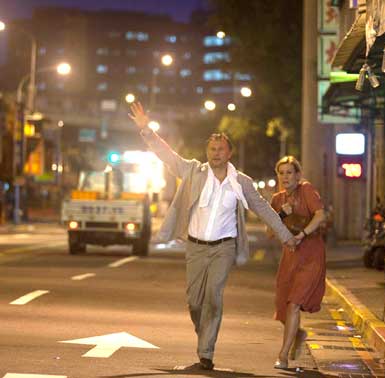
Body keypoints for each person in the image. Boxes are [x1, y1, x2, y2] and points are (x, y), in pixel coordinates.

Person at [128, 102, 297, 371]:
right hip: (195, 247)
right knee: (195, 302)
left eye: (220, 149)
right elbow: (167, 155)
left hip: (223, 248)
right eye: (212, 149)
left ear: (230, 153)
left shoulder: (241, 182)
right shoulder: (194, 171)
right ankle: (204, 332)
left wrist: (286, 235)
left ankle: (206, 352)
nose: (216, 153)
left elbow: (263, 207)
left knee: (213, 297)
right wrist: (146, 130)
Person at [270, 156, 326, 369]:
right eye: (281, 172)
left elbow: (320, 216)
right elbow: (269, 230)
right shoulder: (277, 199)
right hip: (290, 256)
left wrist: (301, 234)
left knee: (294, 303)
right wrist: (282, 213)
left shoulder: (307, 190)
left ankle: (283, 356)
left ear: (298, 175)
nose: (285, 176)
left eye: (289, 172)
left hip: (311, 254)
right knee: (282, 307)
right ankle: (298, 333)